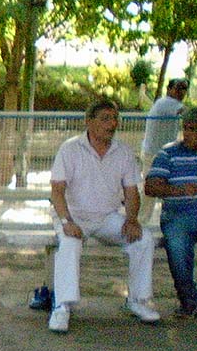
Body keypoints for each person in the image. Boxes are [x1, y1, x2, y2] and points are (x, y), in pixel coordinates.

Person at [47, 99, 160, 333]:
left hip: (107, 217)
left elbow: (132, 192)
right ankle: (62, 306)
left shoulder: (124, 152)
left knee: (143, 239)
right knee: (69, 244)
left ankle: (137, 300)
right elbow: (57, 190)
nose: (112, 124)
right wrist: (67, 222)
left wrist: (131, 220)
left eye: (115, 118)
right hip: (73, 216)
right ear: (89, 122)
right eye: (105, 118)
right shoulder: (69, 149)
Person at [145, 106, 197, 318]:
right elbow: (150, 187)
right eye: (186, 128)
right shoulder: (169, 153)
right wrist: (179, 190)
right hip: (178, 214)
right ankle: (189, 301)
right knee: (177, 246)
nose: (188, 134)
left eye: (193, 129)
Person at [140, 78, 189, 224]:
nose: (181, 91)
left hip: (160, 153)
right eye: (178, 88)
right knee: (150, 191)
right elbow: (188, 113)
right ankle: (139, 224)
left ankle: (169, 224)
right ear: (169, 89)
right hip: (154, 154)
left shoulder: (168, 104)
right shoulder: (167, 103)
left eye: (184, 88)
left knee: (168, 189)